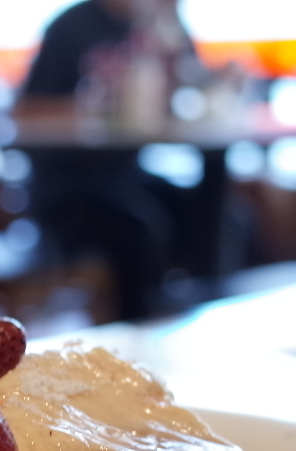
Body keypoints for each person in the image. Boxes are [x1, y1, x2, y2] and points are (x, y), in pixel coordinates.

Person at [16, 0, 199, 321]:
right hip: (65, 181)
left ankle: (187, 313)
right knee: (140, 225)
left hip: (125, 172)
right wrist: (93, 105)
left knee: (202, 209)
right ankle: (137, 326)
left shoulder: (152, 24)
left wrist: (173, 54)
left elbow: (185, 92)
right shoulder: (70, 26)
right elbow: (27, 110)